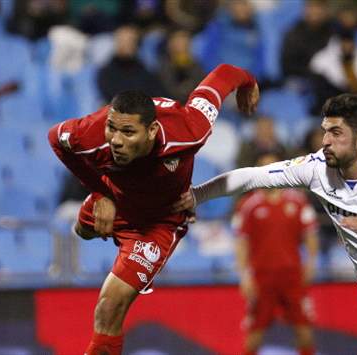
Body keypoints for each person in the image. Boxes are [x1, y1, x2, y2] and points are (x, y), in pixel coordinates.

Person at [175, 93, 357, 355]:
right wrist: (197, 195)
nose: (325, 141)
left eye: (336, 133)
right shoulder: (317, 168)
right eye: (324, 131)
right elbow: (250, 177)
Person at [48, 63, 259, 355]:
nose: (117, 141)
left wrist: (248, 81)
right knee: (82, 231)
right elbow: (55, 139)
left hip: (160, 222)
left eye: (128, 132)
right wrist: (101, 193)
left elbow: (223, 73)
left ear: (152, 130)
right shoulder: (92, 133)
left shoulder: (190, 128)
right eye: (112, 128)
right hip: (115, 200)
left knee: (110, 307)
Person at [234, 152, 319, 355]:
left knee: (304, 331)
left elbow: (310, 234)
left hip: (292, 275)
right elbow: (241, 243)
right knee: (255, 334)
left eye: (271, 167)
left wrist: (311, 262)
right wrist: (244, 276)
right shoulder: (248, 205)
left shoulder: (297, 201)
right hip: (262, 277)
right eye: (263, 168)